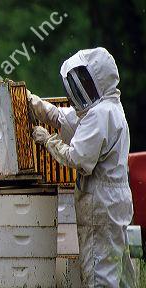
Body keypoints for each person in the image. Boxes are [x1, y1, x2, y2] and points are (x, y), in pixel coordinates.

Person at [28, 47, 136, 287]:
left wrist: (48, 141)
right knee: (118, 267)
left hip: (101, 200)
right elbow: (62, 118)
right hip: (113, 198)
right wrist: (31, 101)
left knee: (100, 271)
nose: (80, 88)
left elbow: (78, 159)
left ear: (98, 80)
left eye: (85, 81)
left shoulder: (101, 114)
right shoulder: (108, 109)